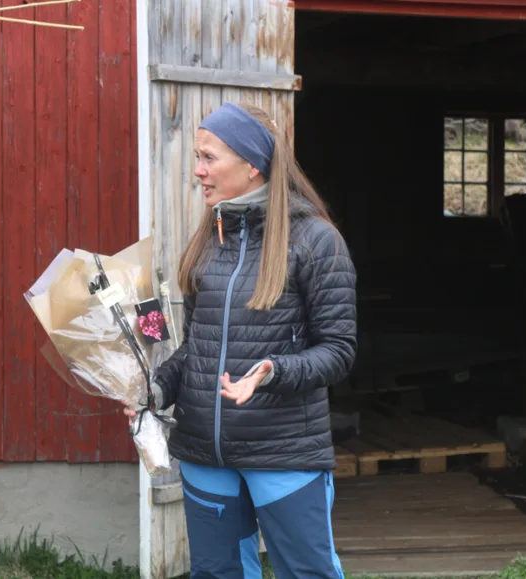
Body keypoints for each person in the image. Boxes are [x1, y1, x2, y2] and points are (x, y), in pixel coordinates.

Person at [126, 102, 357, 579]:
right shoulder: (210, 239)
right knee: (217, 574)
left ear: (252, 165)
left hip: (284, 452)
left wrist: (275, 371)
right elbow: (196, 349)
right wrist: (156, 390)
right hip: (206, 454)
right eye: (197, 156)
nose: (197, 170)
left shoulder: (315, 241)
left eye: (209, 157)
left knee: (307, 573)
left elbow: (338, 350)